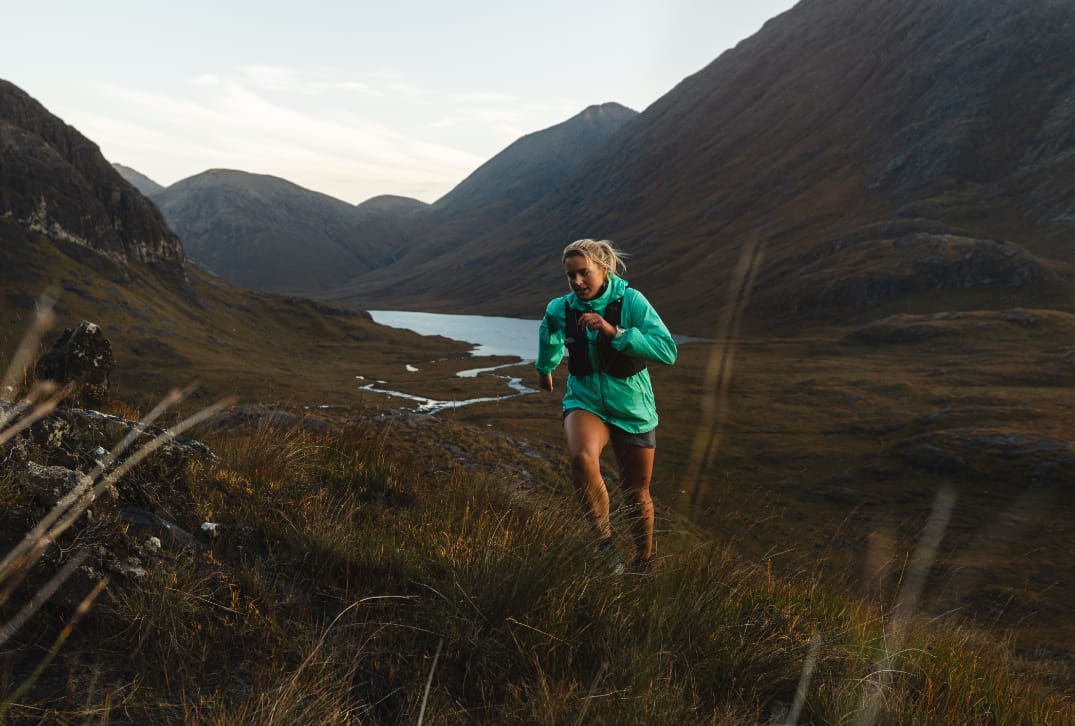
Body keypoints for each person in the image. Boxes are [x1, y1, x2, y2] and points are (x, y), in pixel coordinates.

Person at [535, 238, 678, 573]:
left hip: (632, 407)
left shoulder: (631, 301)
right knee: (581, 459)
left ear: (603, 268)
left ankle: (643, 563)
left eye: (584, 273)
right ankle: (606, 551)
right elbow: (549, 330)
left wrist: (615, 332)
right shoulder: (562, 307)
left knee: (636, 493)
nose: (577, 282)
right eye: (571, 276)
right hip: (584, 399)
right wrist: (546, 367)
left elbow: (667, 350)